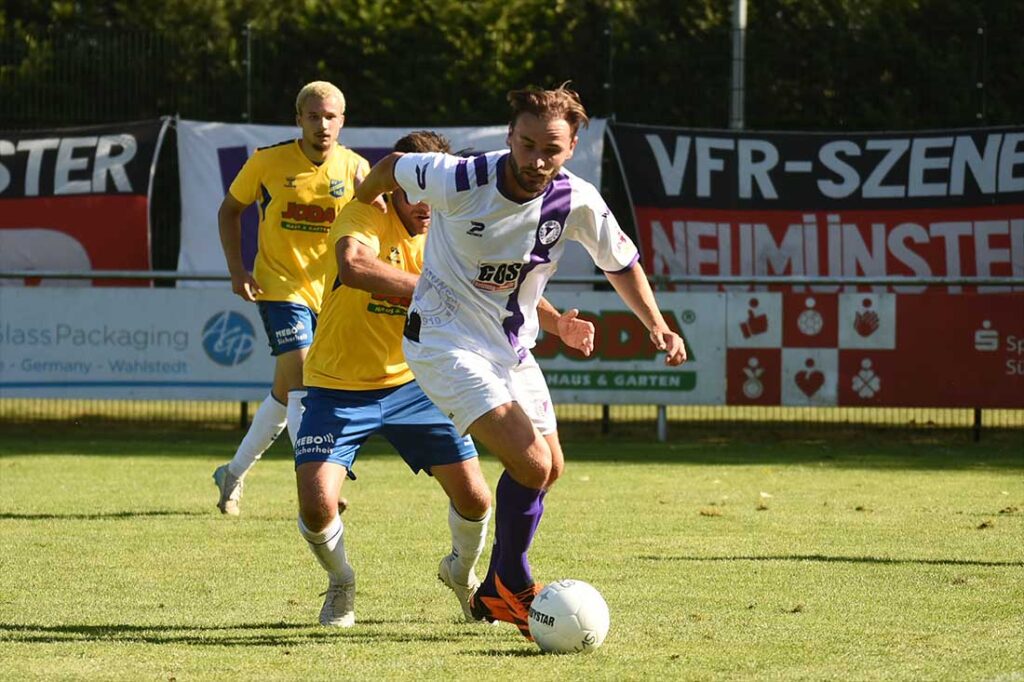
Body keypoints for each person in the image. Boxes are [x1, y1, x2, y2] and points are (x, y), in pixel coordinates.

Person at [354, 84, 686, 639]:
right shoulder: (460, 178)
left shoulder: (575, 199)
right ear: (510, 136)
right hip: (443, 339)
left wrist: (656, 323)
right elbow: (391, 167)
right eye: (526, 144)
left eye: (550, 149)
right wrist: (361, 201)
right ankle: (512, 583)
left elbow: (621, 260)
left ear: (572, 146)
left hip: (511, 347)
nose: (536, 160)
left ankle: (492, 590)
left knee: (550, 468)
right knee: (530, 464)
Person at [293, 131, 596, 627]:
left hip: (417, 383)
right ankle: (341, 580)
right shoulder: (365, 211)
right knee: (318, 502)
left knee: (477, 498)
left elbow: (501, 282)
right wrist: (436, 288)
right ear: (396, 186)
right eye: (414, 191)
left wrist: (558, 321)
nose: (425, 204)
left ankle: (462, 573)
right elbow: (353, 266)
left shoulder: (457, 218)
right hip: (338, 384)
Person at [213, 81, 370, 516]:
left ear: (343, 121)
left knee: (286, 395)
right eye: (314, 116)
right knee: (303, 379)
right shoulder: (266, 161)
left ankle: (233, 472)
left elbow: (376, 226)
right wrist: (237, 269)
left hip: (331, 297)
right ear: (298, 119)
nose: (323, 124)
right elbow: (229, 210)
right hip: (278, 287)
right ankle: (319, 483)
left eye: (331, 116)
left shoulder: (355, 169)